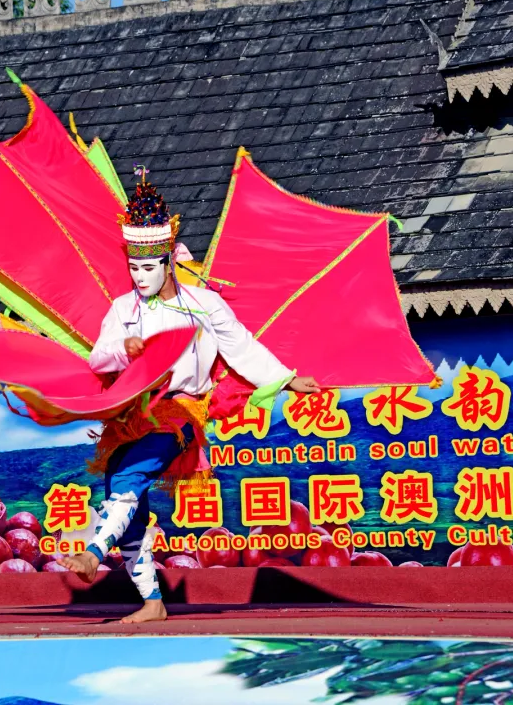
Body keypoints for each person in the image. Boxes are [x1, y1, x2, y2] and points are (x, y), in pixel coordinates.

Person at [58, 168, 320, 623]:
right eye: (133, 268)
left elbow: (241, 348)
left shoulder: (204, 305)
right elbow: (98, 358)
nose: (140, 277)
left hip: (180, 413)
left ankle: (93, 555)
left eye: (148, 268)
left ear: (169, 262)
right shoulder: (122, 310)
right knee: (126, 497)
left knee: (129, 479)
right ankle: (152, 602)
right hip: (129, 416)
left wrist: (285, 379)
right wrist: (124, 349)